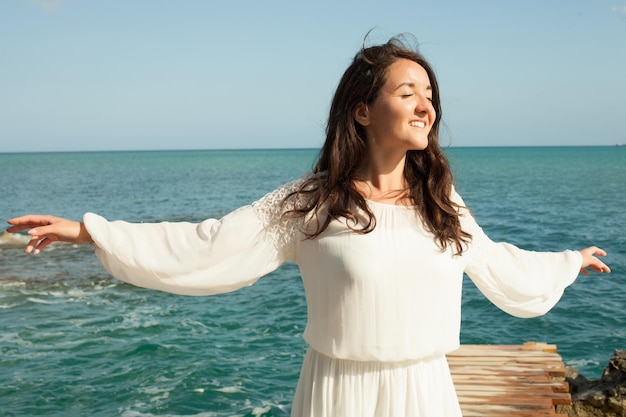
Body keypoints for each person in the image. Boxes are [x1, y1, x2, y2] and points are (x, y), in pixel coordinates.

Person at [7, 36, 610, 417]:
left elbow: (495, 262)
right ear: (363, 110)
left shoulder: (441, 200)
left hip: (426, 393)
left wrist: (564, 262)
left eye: (431, 94)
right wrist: (93, 231)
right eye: (409, 92)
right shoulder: (313, 203)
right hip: (337, 395)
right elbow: (209, 245)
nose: (428, 105)